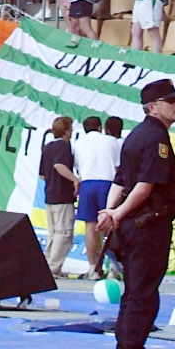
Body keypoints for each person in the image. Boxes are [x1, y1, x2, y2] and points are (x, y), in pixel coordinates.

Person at [94, 79, 175, 349]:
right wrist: (117, 215)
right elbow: (145, 185)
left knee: (134, 296)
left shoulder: (135, 136)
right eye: (170, 100)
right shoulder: (156, 137)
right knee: (142, 297)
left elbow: (120, 180)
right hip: (148, 226)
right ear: (152, 107)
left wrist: (109, 212)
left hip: (132, 226)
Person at [76, 116, 122, 278]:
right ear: (99, 127)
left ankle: (92, 267)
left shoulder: (79, 142)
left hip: (87, 184)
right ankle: (112, 268)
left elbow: (78, 166)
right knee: (111, 225)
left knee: (90, 226)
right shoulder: (111, 141)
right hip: (107, 184)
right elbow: (118, 167)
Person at [41, 115, 80, 275]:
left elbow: (42, 174)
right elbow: (59, 165)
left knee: (53, 233)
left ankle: (48, 264)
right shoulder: (64, 146)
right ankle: (54, 267)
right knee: (64, 232)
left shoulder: (47, 147)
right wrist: (75, 180)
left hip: (50, 194)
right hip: (62, 195)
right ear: (66, 131)